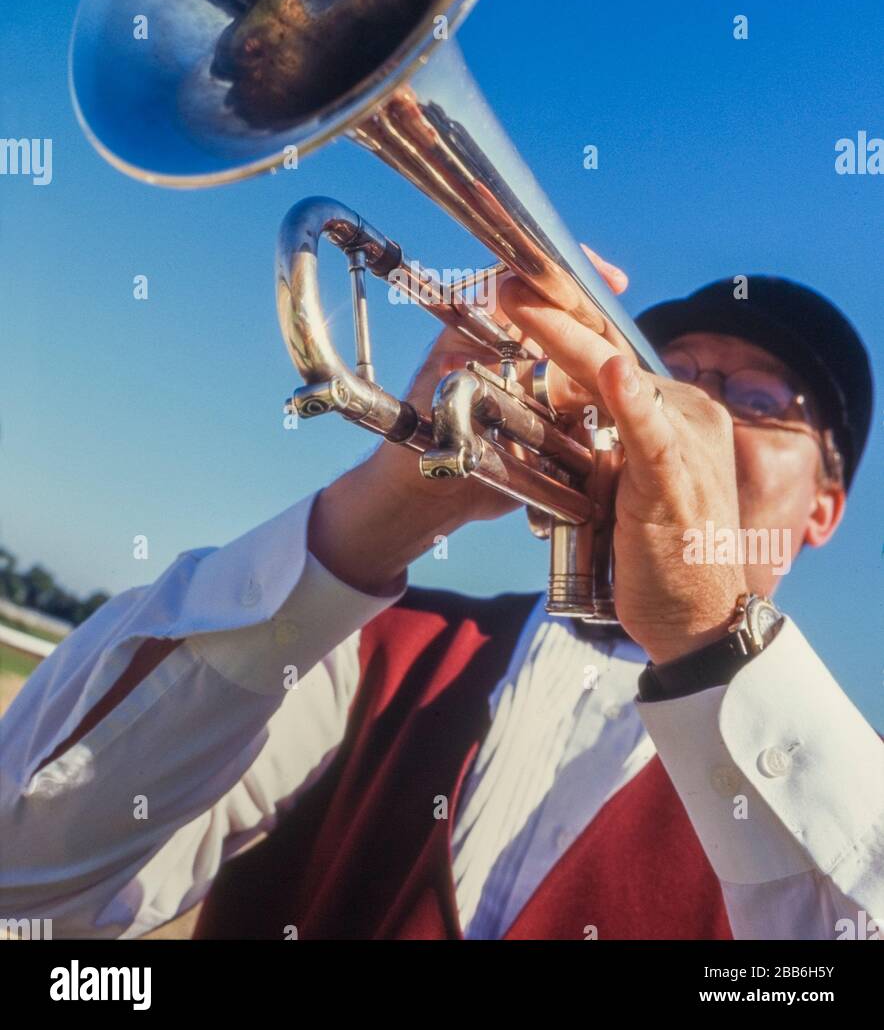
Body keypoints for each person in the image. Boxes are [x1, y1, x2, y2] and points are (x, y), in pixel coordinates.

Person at [0, 255, 881, 941]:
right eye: (670, 374)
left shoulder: (842, 783)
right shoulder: (374, 645)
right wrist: (383, 512)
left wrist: (711, 640)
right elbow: (27, 883)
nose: (693, 410)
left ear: (824, 511)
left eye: (761, 401)